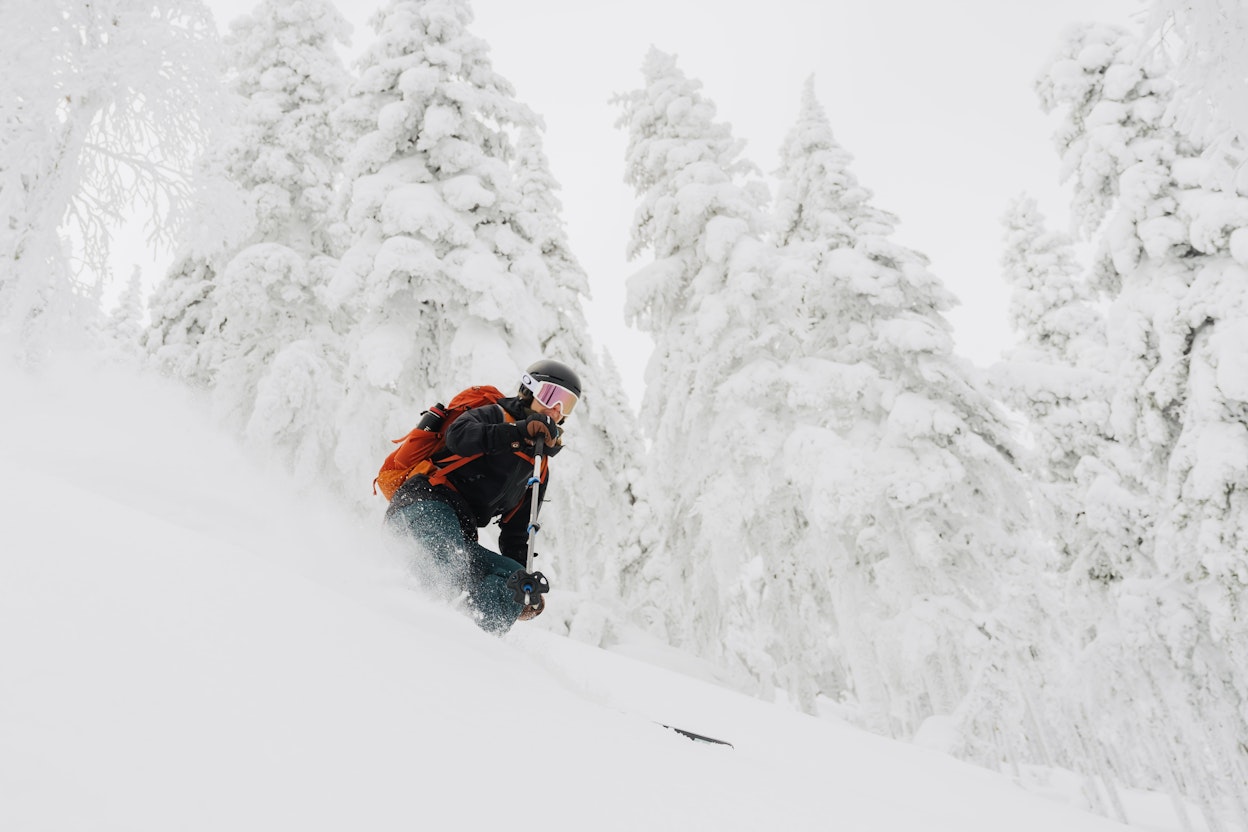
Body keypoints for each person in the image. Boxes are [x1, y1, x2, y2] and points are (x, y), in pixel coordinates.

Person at [384, 359, 582, 634]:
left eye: (567, 404)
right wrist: (518, 432)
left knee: (512, 583)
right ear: (529, 390)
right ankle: (420, 633)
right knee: (445, 575)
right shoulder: (497, 415)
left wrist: (525, 588)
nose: (556, 409)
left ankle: (474, 650)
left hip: (460, 536)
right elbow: (460, 436)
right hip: (423, 504)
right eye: (551, 395)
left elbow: (515, 536)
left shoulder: (538, 468)